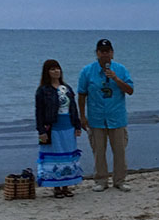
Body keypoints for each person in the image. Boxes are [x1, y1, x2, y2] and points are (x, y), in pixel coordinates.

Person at [77, 38, 134, 192]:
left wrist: (115, 78)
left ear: (112, 53)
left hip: (117, 118)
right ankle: (101, 180)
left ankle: (120, 180)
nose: (105, 54)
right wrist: (82, 116)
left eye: (107, 51)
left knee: (120, 152)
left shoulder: (120, 69)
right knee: (99, 152)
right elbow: (82, 95)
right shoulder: (87, 71)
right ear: (97, 53)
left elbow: (130, 90)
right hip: (96, 118)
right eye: (102, 52)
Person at [35, 59, 83, 198]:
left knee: (68, 156)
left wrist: (77, 125)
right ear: (47, 72)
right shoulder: (43, 91)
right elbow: (39, 112)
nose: (56, 71)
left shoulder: (66, 88)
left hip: (68, 126)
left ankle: (66, 185)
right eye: (52, 69)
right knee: (55, 157)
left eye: (57, 68)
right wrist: (41, 131)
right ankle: (56, 187)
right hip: (53, 128)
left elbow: (73, 108)